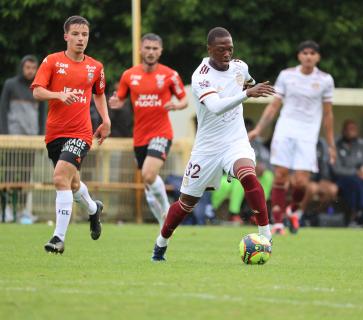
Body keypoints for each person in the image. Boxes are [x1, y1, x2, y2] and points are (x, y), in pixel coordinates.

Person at [151, 27, 275, 261]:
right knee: (186, 204)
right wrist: (248, 95)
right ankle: (161, 243)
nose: (227, 53)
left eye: (230, 48)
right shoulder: (201, 76)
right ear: (209, 49)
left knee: (248, 175)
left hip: (235, 141)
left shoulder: (240, 67)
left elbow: (248, 83)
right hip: (207, 149)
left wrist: (252, 89)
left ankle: (266, 236)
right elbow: (216, 107)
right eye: (221, 49)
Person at [31, 15, 110, 254]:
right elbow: (37, 91)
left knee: (58, 179)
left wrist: (105, 119)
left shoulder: (95, 67)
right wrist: (57, 95)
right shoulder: (52, 61)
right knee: (72, 183)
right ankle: (94, 210)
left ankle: (58, 238)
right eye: (75, 34)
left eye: (84, 34)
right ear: (66, 36)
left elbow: (99, 93)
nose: (80, 39)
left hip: (80, 133)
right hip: (55, 134)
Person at [248, 40, 336, 235]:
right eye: (304, 52)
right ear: (299, 56)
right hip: (285, 130)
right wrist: (259, 129)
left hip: (307, 135)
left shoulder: (325, 80)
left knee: (301, 183)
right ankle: (278, 223)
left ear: (318, 57)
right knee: (280, 176)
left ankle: (293, 209)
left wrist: (331, 145)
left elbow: (328, 114)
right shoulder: (287, 76)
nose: (308, 56)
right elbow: (274, 106)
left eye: (312, 53)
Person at [109, 33, 187, 228]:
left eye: (155, 49)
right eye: (148, 48)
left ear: (160, 51)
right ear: (140, 50)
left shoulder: (170, 74)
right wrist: (115, 103)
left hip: (162, 132)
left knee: (149, 174)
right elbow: (120, 98)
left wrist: (176, 106)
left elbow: (184, 99)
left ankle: (168, 213)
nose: (151, 52)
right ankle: (163, 223)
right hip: (140, 137)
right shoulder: (129, 75)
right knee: (148, 183)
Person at [0, 55, 45, 221]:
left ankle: (23, 212)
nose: (30, 71)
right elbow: (3, 110)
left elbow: (42, 116)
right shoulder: (10, 84)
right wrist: (4, 135)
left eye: (33, 68)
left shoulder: (39, 88)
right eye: (27, 67)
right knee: (10, 174)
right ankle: (6, 211)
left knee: (27, 176)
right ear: (22, 67)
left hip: (31, 139)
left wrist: (41, 136)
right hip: (13, 137)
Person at [211, 118, 274, 224]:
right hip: (228, 177)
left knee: (268, 176)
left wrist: (261, 168)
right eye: (246, 129)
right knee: (241, 178)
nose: (248, 132)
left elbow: (267, 164)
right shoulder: (231, 140)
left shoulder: (257, 144)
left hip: (252, 175)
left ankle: (259, 212)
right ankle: (233, 213)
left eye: (250, 129)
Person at [333, 120, 363, 225]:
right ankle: (354, 215)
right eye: (348, 129)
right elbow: (336, 169)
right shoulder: (336, 146)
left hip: (359, 177)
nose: (351, 131)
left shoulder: (361, 146)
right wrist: (356, 172)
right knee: (354, 183)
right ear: (343, 131)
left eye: (353, 129)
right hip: (341, 178)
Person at [300, 138, 338, 216]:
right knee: (312, 188)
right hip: (304, 177)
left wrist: (323, 178)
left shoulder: (321, 144)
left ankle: (317, 214)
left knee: (333, 189)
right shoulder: (301, 141)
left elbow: (324, 164)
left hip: (319, 178)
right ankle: (299, 213)